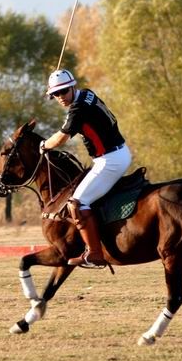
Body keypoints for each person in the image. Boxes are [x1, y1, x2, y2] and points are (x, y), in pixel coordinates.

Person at [40, 69, 132, 268]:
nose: (60, 97)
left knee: (77, 203)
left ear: (73, 87)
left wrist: (43, 145)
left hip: (110, 160)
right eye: (55, 94)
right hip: (117, 153)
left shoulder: (77, 110)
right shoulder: (88, 94)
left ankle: (95, 254)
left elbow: (61, 138)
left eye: (64, 91)